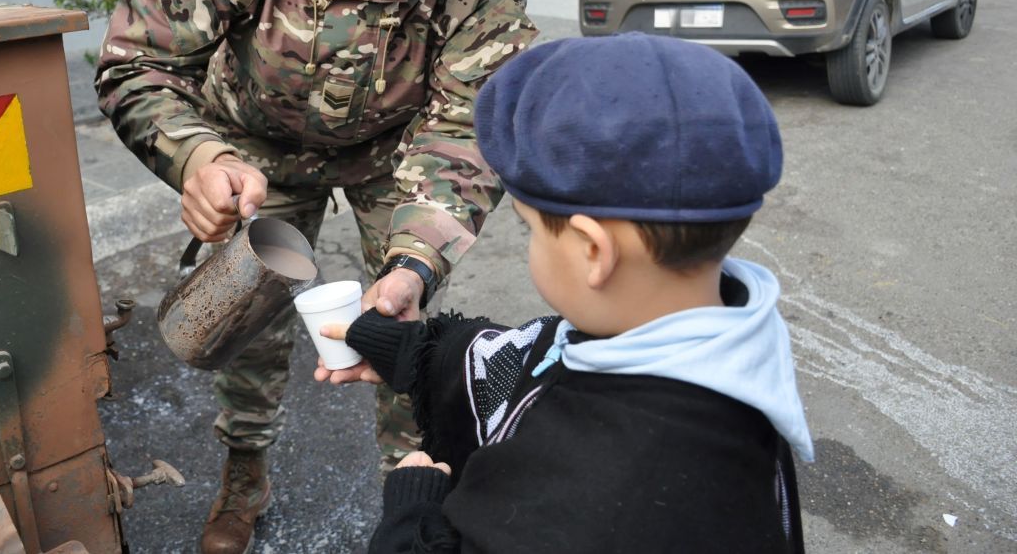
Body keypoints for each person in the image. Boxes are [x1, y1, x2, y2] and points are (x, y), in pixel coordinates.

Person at [95, 0, 537, 550]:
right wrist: (194, 159)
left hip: (396, 154)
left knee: (401, 327)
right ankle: (243, 476)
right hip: (252, 152)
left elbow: (473, 119)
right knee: (245, 327)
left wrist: (415, 261)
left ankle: (418, 489)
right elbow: (138, 60)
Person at [317, 33, 815, 552]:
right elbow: (538, 362)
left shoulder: (600, 501)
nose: (531, 242)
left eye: (531, 228)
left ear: (593, 252)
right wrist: (415, 352)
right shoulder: (713, 343)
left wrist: (410, 517)